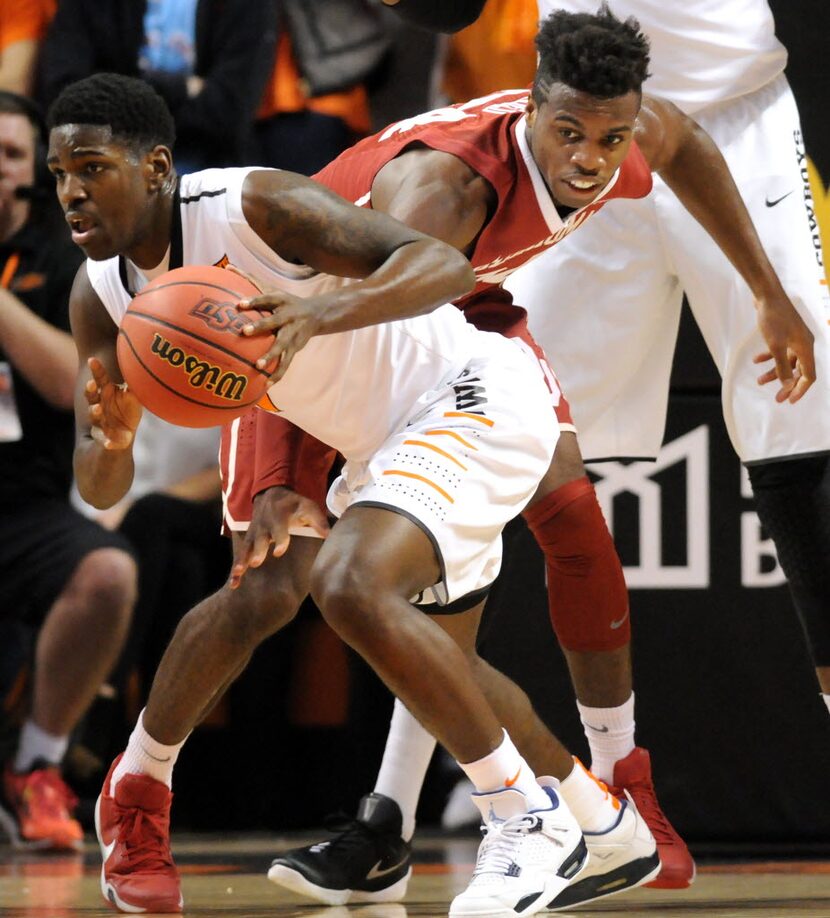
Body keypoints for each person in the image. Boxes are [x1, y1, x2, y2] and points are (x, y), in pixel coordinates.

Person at [251, 3, 815, 903]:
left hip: (462, 310)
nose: (592, 160)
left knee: (567, 512)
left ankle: (609, 790)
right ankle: (423, 814)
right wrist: (282, 477)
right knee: (321, 586)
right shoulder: (443, 196)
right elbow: (304, 316)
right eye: (571, 135)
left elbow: (687, 150)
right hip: (330, 320)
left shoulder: (613, 137)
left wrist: (770, 294)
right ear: (530, 115)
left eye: (609, 138)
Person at [46, 72, 627, 917]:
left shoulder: (255, 205)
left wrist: (321, 313)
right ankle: (136, 790)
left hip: (468, 389)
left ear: (156, 167)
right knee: (269, 591)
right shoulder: (99, 294)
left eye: (90, 169)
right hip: (367, 444)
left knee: (350, 582)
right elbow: (100, 480)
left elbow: (435, 262)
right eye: (61, 175)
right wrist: (116, 441)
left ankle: (524, 820)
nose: (70, 192)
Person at [505, 0, 830, 713]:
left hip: (736, 116)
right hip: (580, 124)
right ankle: (397, 805)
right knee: (493, 432)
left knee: (803, 428)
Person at [0, 90, 137, 851]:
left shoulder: (67, 263)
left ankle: (38, 766)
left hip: (25, 510)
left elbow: (67, 383)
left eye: (12, 156)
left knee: (109, 573)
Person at [37, 0, 276, 171]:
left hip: (213, 175)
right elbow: (65, 96)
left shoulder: (246, 6)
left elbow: (230, 111)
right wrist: (182, 89)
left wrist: (119, 94)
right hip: (107, 172)